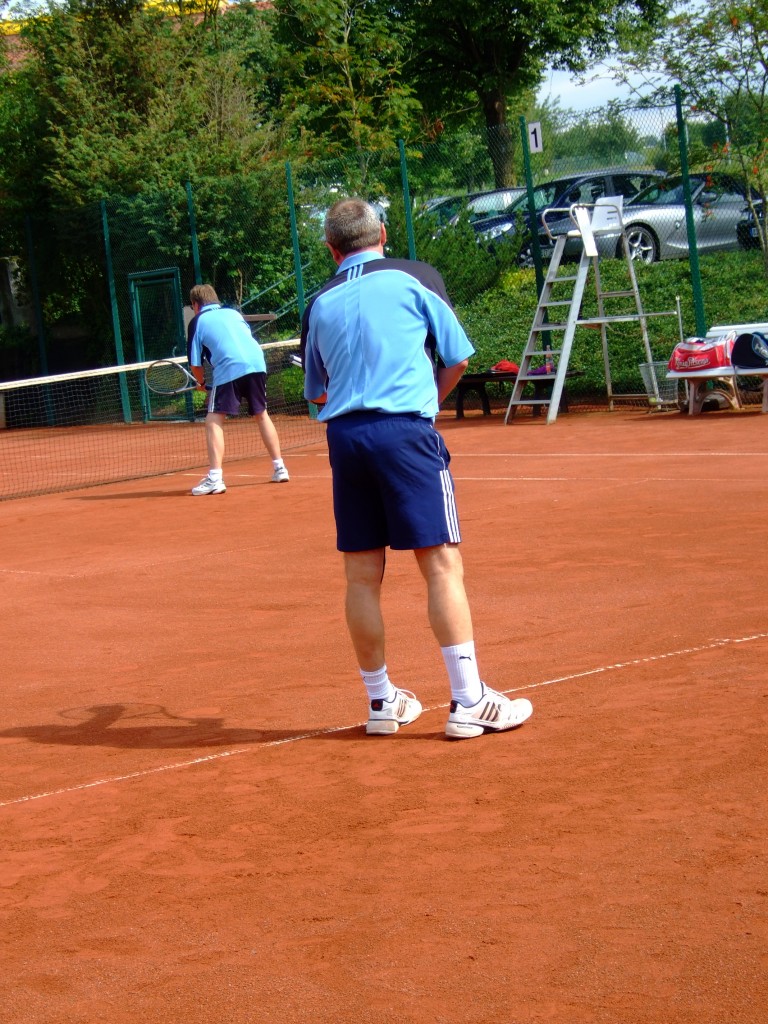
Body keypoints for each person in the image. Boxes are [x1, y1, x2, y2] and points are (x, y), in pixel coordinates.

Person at [301, 198, 533, 739]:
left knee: (361, 575)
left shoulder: (319, 303)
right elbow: (457, 358)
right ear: (382, 233)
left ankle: (382, 703)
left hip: (345, 439)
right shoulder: (416, 277)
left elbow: (317, 394)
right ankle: (469, 700)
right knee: (441, 565)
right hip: (405, 433)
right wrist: (424, 401)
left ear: (332, 249)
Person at [187, 284, 289, 495]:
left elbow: (196, 364)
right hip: (257, 363)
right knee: (262, 414)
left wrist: (201, 383)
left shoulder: (197, 321)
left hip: (229, 367)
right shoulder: (234, 313)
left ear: (196, 305)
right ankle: (280, 468)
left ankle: (215, 478)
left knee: (213, 419)